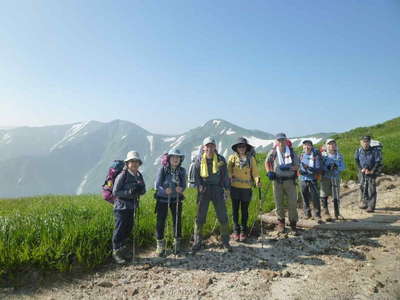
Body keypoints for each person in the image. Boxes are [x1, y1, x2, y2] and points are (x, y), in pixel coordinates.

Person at [192, 137, 231, 252]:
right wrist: (199, 186)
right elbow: (196, 176)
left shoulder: (220, 160)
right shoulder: (198, 160)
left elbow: (224, 176)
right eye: (207, 146)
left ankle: (225, 241)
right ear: (203, 148)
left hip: (218, 189)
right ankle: (197, 241)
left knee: (222, 215)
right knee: (200, 216)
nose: (210, 148)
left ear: (215, 147)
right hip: (204, 190)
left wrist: (227, 189)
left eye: (212, 146)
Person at [112, 151, 146, 264]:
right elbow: (115, 192)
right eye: (132, 161)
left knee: (128, 229)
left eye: (136, 161)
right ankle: (116, 252)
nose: (134, 164)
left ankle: (123, 251)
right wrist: (129, 192)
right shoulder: (123, 175)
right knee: (120, 229)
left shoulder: (139, 175)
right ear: (127, 163)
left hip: (132, 207)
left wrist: (140, 190)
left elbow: (143, 190)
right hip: (121, 207)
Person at [227, 137, 261, 242]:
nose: (241, 148)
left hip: (246, 189)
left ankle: (243, 232)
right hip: (234, 188)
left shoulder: (251, 159)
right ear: (236, 148)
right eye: (239, 146)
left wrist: (257, 181)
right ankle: (236, 231)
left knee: (244, 211)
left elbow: (255, 172)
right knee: (235, 210)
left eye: (243, 146)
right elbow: (228, 171)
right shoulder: (232, 158)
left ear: (246, 148)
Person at [154, 149, 186, 256]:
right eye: (173, 157)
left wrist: (181, 188)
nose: (176, 159)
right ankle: (160, 245)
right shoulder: (162, 170)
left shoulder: (181, 171)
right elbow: (157, 185)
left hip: (176, 199)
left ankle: (176, 244)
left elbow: (184, 184)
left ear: (180, 159)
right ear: (169, 159)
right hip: (162, 199)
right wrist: (164, 190)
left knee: (177, 221)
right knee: (161, 221)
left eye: (178, 157)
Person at [265, 133, 299, 233]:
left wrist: (289, 168)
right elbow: (267, 162)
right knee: (278, 202)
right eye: (279, 140)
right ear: (276, 141)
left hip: (290, 181)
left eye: (283, 140)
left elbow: (297, 166)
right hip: (277, 181)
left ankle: (293, 223)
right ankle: (281, 223)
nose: (281, 142)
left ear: (286, 140)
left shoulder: (292, 152)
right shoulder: (273, 152)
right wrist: (269, 172)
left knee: (292, 203)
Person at [355, 135, 382, 213]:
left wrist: (372, 171)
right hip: (362, 172)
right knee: (362, 187)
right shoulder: (358, 150)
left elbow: (377, 162)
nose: (365, 143)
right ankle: (365, 202)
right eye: (364, 141)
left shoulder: (374, 151)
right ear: (361, 142)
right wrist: (361, 169)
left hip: (371, 172)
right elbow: (356, 161)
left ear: (370, 142)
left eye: (367, 141)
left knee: (371, 189)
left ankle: (371, 206)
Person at [320, 139, 345, 220]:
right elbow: (319, 166)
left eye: (333, 144)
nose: (331, 145)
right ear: (326, 145)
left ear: (335, 145)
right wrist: (327, 168)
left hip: (336, 177)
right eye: (329, 144)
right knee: (324, 194)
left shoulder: (339, 156)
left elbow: (343, 167)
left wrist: (336, 167)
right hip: (325, 177)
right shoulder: (323, 156)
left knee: (336, 195)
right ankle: (326, 213)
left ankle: (337, 213)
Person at [299, 140, 322, 222]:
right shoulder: (301, 155)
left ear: (311, 146)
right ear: (303, 147)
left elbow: (318, 168)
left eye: (308, 145)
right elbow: (299, 166)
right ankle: (307, 214)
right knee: (304, 197)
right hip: (303, 179)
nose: (306, 147)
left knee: (315, 197)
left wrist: (307, 169)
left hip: (313, 179)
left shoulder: (316, 155)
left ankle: (317, 215)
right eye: (305, 145)